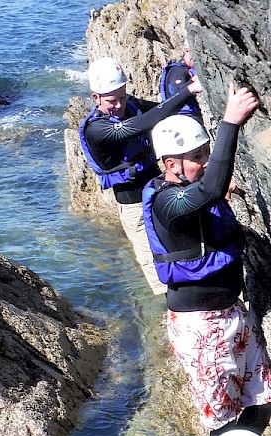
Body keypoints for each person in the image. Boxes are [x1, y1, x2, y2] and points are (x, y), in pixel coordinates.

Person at [143, 85, 271, 436]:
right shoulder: (165, 204)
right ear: (171, 165)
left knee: (265, 400)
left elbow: (209, 196)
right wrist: (230, 122)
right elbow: (210, 191)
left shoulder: (190, 193)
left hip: (233, 313)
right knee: (223, 423)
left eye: (207, 154)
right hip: (200, 326)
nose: (205, 163)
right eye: (197, 158)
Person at [79, 56, 203, 295]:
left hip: (159, 192)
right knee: (155, 261)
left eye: (122, 97)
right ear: (96, 98)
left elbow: (160, 110)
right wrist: (188, 90)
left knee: (181, 247)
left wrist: (183, 80)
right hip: (134, 206)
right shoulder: (97, 129)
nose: (119, 105)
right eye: (112, 100)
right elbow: (140, 124)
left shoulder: (131, 106)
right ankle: (173, 308)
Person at [159, 42, 203, 122]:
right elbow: (178, 92)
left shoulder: (177, 69)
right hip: (185, 116)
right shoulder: (178, 71)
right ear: (186, 51)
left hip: (180, 116)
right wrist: (193, 84)